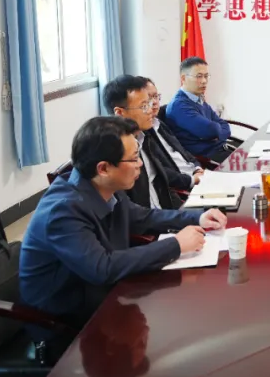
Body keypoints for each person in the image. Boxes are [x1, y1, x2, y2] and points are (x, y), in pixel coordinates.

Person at [20, 116, 226, 355]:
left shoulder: (100, 185)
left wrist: (197, 217)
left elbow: (141, 217)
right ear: (104, 168)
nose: (140, 164)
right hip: (65, 324)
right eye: (133, 158)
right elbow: (101, 268)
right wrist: (176, 245)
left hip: (101, 297)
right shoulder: (63, 211)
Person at [104, 75, 202, 209]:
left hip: (166, 214)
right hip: (153, 220)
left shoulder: (143, 138)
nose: (151, 109)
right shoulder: (116, 155)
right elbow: (134, 213)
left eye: (149, 103)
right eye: (144, 106)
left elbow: (164, 188)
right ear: (120, 113)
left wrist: (183, 213)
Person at [164, 57, 234, 163]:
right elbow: (211, 130)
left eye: (206, 76)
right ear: (183, 78)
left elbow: (224, 126)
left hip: (221, 148)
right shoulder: (179, 105)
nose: (204, 81)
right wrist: (217, 132)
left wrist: (218, 134)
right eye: (199, 76)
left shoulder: (197, 98)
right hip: (206, 159)